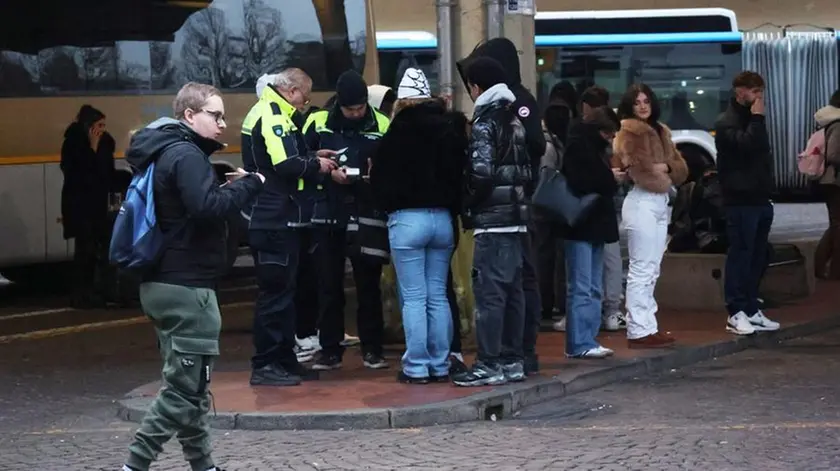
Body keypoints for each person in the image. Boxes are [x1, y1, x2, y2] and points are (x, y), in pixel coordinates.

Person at [122, 82, 264, 471]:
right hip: (188, 288)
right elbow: (207, 207)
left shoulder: (162, 152)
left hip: (163, 283)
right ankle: (134, 464)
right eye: (215, 115)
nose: (222, 124)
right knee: (184, 392)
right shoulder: (185, 156)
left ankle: (203, 464)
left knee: (192, 388)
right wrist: (251, 184)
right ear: (189, 115)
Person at [369, 67, 468, 384]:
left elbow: (380, 183)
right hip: (442, 219)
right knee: (438, 294)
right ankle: (440, 362)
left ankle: (416, 365)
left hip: (407, 219)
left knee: (413, 296)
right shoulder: (450, 130)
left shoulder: (394, 134)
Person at [457, 37, 545, 376]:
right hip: (515, 218)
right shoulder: (514, 118)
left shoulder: (485, 122)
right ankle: (513, 358)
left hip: (493, 222)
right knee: (513, 292)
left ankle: (489, 362)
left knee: (491, 294)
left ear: (477, 86)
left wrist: (469, 204)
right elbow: (525, 170)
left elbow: (481, 174)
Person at [247, 68, 339, 386]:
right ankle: (266, 364)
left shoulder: (274, 112)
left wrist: (313, 155)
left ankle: (283, 360)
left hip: (279, 215)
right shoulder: (273, 115)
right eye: (305, 94)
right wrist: (318, 166)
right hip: (276, 217)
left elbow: (281, 156)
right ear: (291, 90)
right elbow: (284, 164)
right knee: (275, 296)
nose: (306, 101)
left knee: (285, 294)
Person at [303, 70, 391, 371]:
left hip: (367, 211)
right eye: (350, 109)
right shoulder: (318, 122)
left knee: (369, 285)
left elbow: (394, 162)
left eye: (360, 108)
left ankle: (373, 349)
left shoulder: (381, 123)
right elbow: (302, 159)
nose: (356, 114)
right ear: (338, 104)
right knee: (328, 284)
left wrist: (374, 173)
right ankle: (330, 349)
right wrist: (325, 169)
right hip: (329, 211)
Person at [613, 84, 688, 348]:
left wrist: (665, 167)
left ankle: (648, 325)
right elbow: (637, 167)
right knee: (641, 267)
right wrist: (661, 171)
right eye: (637, 102)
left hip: (660, 201)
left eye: (646, 101)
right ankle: (637, 328)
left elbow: (681, 168)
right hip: (641, 202)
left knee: (653, 267)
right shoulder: (628, 132)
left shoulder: (662, 130)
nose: (643, 106)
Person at [553, 85, 627, 333]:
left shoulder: (583, 144)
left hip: (588, 223)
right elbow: (584, 181)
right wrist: (609, 178)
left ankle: (588, 337)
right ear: (600, 131)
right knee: (584, 285)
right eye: (610, 134)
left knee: (590, 284)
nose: (612, 140)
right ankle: (581, 340)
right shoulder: (583, 147)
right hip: (585, 224)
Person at [715, 71, 780, 335]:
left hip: (760, 196)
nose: (758, 99)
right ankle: (736, 310)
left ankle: (752, 307)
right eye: (754, 92)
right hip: (739, 199)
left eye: (761, 93)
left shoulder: (754, 121)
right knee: (741, 253)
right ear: (739, 91)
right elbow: (747, 146)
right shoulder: (727, 122)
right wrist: (756, 118)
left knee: (757, 254)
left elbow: (762, 150)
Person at [60, 104, 115, 308]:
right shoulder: (74, 143)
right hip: (80, 205)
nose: (102, 129)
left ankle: (96, 291)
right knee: (85, 250)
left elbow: (106, 173)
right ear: (88, 126)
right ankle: (81, 294)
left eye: (103, 125)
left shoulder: (106, 142)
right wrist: (92, 148)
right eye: (98, 125)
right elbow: (77, 174)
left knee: (96, 250)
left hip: (98, 204)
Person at [813, 89, 840, 279]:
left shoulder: (832, 121)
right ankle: (833, 270)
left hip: (832, 181)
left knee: (836, 225)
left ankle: (822, 267)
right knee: (837, 226)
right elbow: (833, 154)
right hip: (836, 181)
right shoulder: (838, 124)